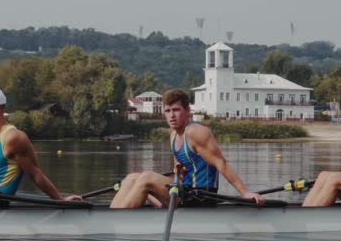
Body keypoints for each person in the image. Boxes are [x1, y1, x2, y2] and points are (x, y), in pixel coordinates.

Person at [110, 88, 264, 208]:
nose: (171, 116)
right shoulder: (173, 135)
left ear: (187, 111)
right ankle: (112, 217)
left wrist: (244, 192)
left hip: (201, 196)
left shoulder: (196, 132)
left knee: (146, 177)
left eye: (176, 110)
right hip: (184, 191)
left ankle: (120, 221)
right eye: (168, 111)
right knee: (131, 178)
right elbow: (180, 172)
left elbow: (221, 163)